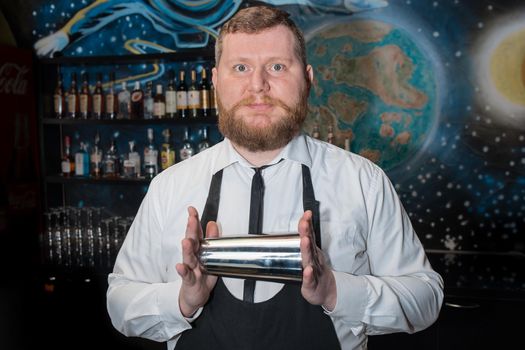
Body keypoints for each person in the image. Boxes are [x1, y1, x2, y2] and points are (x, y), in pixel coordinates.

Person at [107, 5, 443, 350]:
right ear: (214, 81)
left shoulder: (364, 181)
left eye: (277, 67)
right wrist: (183, 300)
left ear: (308, 79)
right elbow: (120, 301)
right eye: (240, 68)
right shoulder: (169, 187)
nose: (258, 85)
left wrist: (335, 291)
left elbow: (426, 298)